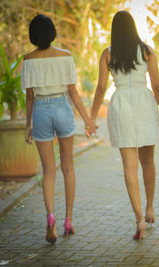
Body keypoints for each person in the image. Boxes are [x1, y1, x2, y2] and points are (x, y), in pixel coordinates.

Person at [90, 10, 159, 240]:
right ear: (134, 28)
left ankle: (139, 219)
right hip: (144, 103)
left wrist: (91, 117)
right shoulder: (147, 51)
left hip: (121, 103)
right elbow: (157, 87)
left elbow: (102, 88)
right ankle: (150, 207)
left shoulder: (108, 54)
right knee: (148, 160)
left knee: (129, 166)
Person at [22, 14, 97, 243]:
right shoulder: (65, 56)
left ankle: (51, 218)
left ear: (33, 35)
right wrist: (88, 120)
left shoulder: (28, 59)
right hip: (61, 108)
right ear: (52, 32)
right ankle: (68, 220)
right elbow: (73, 92)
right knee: (68, 168)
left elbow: (30, 96)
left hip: (41, 112)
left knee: (48, 171)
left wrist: (28, 125)